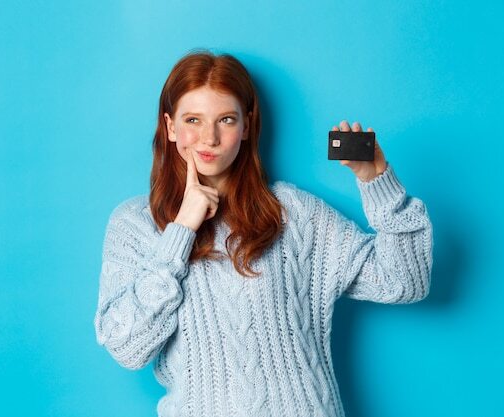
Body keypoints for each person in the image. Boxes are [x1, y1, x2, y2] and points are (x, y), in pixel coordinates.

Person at [93, 50, 433, 417]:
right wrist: (181, 231)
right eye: (193, 119)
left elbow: (405, 281)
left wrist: (375, 179)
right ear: (171, 126)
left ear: (246, 126)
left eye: (225, 119)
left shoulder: (295, 212)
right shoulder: (134, 224)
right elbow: (127, 348)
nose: (209, 138)